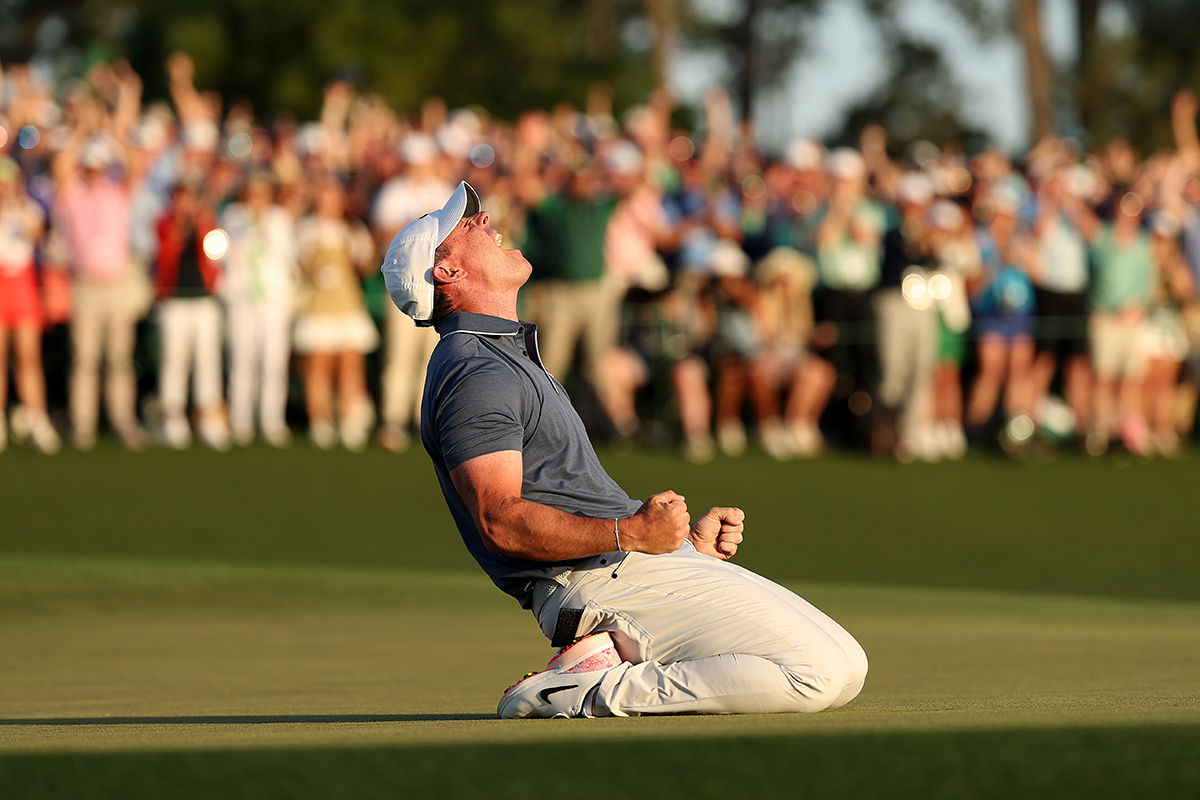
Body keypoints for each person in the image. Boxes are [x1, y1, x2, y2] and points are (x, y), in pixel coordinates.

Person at [381, 181, 867, 719]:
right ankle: (582, 691)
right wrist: (632, 534)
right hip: (592, 578)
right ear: (447, 271)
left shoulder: (497, 354)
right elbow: (500, 521)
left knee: (849, 667)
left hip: (623, 564)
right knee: (817, 673)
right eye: (464, 225)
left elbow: (563, 495)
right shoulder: (475, 368)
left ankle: (609, 658)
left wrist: (677, 545)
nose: (484, 220)